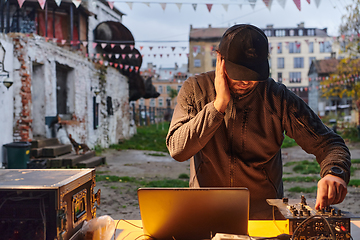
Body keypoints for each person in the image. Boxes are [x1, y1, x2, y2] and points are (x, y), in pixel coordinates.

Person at [166, 24, 351, 219]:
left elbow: (330, 144)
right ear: (220, 59)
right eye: (238, 73)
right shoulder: (195, 90)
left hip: (263, 217)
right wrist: (217, 106)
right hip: (206, 212)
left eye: (253, 74)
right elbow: (178, 149)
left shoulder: (277, 98)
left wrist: (334, 172)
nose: (246, 81)